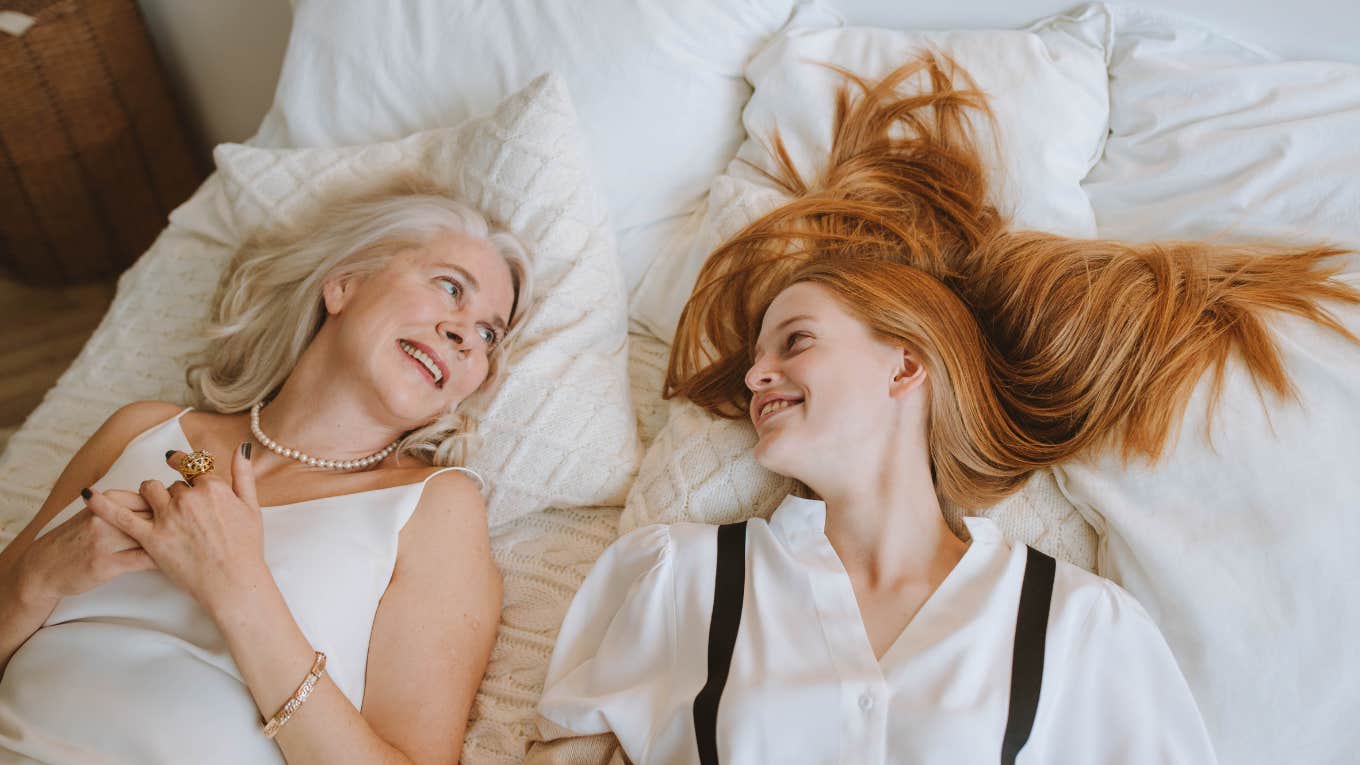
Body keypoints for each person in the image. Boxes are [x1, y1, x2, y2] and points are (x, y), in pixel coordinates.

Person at [528, 57, 1359, 764]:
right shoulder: (678, 579)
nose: (757, 378)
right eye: (756, 361)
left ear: (906, 364)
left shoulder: (1077, 625)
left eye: (794, 340)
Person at [0, 176, 533, 765]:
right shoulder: (143, 431)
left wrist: (237, 587)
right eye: (449, 287)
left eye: (489, 334)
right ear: (344, 283)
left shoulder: (433, 507)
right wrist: (41, 576)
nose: (465, 337)